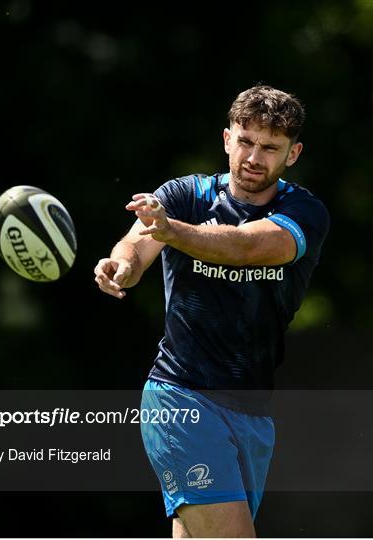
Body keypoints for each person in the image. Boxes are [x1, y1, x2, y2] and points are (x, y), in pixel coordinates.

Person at [94, 84, 330, 538]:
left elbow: (249, 246)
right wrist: (120, 265)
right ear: (227, 139)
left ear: (293, 153)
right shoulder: (186, 196)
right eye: (245, 141)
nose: (253, 157)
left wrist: (171, 231)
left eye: (270, 147)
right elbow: (135, 244)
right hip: (180, 397)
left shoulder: (304, 212)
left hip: (252, 409)